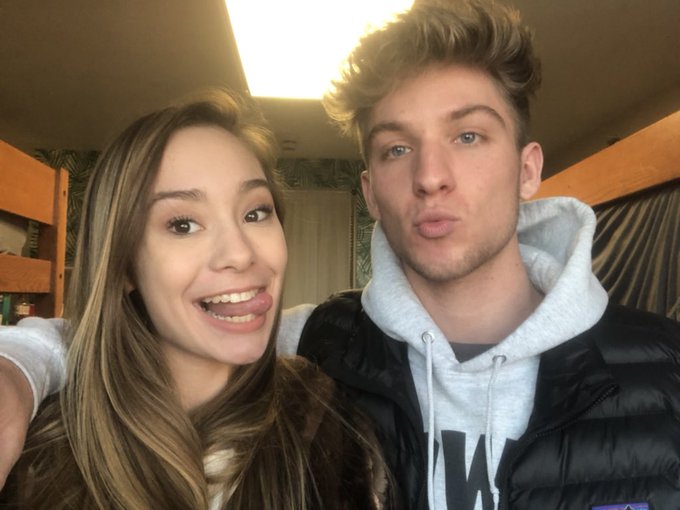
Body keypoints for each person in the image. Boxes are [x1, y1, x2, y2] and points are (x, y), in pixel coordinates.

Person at [1, 0, 680, 508]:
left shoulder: (669, 372)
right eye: (397, 148)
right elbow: (126, 340)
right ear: (370, 192)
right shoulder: (317, 344)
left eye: (469, 136)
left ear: (528, 170)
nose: (431, 176)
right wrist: (18, 368)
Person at [0, 91, 388, 509]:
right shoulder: (33, 455)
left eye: (255, 213)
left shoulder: (325, 429)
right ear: (124, 265)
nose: (240, 253)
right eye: (183, 224)